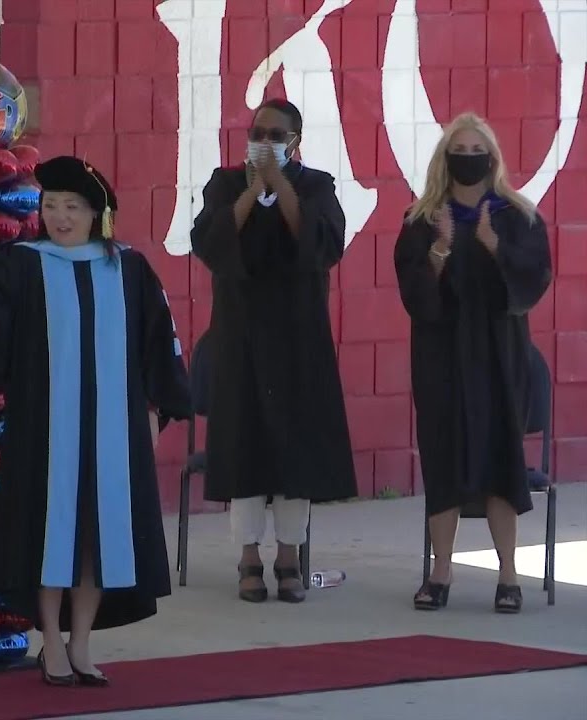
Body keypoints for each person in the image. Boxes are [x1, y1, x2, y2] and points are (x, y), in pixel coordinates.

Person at [0, 156, 192, 687]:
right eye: (50, 206)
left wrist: (153, 411)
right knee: (51, 536)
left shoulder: (129, 269)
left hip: (111, 434)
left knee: (98, 540)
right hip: (46, 430)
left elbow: (155, 345)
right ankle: (49, 639)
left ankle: (80, 642)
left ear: (97, 212)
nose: (60, 217)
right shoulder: (26, 265)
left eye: (72, 207)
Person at [190, 98, 357, 604]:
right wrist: (252, 189)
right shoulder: (224, 184)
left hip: (297, 336)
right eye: (258, 131)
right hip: (240, 335)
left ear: (295, 143)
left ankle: (289, 555)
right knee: (244, 447)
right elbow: (210, 242)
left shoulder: (316, 186)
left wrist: (279, 184)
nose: (264, 140)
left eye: (276, 135)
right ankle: (247, 557)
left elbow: (322, 244)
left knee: (294, 451)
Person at [393, 113, 552, 614]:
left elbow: (533, 281)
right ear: (445, 160)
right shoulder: (421, 220)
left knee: (503, 459)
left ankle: (508, 574)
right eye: (457, 150)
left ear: (491, 158)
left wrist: (493, 246)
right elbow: (413, 293)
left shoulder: (516, 216)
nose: (467, 159)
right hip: (441, 357)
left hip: (500, 356)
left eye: (475, 150)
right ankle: (441, 571)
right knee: (443, 459)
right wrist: (440, 249)